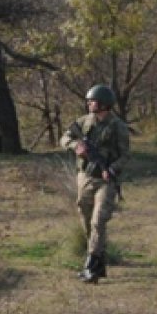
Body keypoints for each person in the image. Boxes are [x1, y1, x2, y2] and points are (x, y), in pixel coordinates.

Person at [60, 84, 130, 284]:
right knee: (85, 216)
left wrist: (113, 169)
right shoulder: (83, 122)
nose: (90, 103)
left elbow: (126, 155)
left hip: (106, 181)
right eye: (89, 100)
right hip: (85, 177)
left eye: (93, 101)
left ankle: (91, 266)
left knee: (98, 221)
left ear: (104, 104)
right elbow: (65, 137)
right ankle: (98, 260)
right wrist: (76, 146)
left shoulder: (118, 127)